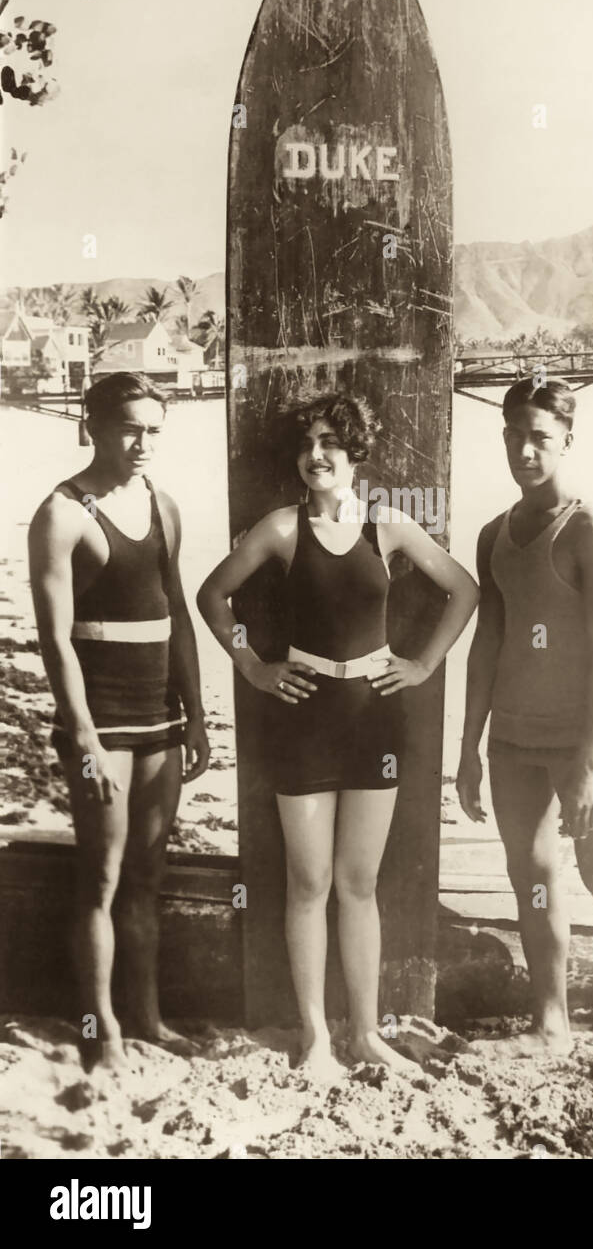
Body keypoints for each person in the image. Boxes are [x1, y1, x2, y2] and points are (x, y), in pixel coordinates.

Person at [198, 390, 478, 1079]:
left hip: (374, 720)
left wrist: (422, 664)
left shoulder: (387, 525)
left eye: (330, 442)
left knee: (357, 884)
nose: (315, 455)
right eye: (307, 444)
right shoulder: (280, 528)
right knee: (307, 881)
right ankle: (317, 1037)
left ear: (355, 452)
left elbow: (464, 590)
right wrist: (253, 666)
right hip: (302, 720)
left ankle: (365, 1033)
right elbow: (211, 595)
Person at [456, 376, 593, 1111]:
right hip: (512, 741)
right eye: (513, 434)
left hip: (585, 744)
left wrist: (590, 765)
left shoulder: (587, 529)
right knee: (532, 880)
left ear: (567, 437)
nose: (524, 449)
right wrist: (467, 747)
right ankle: (550, 1022)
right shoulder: (492, 533)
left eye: (539, 435)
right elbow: (488, 643)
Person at [28, 371, 210, 1071]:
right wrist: (82, 737)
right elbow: (54, 640)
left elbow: (179, 616)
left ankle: (149, 1018)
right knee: (100, 878)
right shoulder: (63, 512)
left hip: (160, 712)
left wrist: (196, 716)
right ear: (93, 425)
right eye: (130, 427)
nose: (143, 442)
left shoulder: (163, 504)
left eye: (154, 429)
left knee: (147, 875)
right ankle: (99, 1026)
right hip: (101, 718)